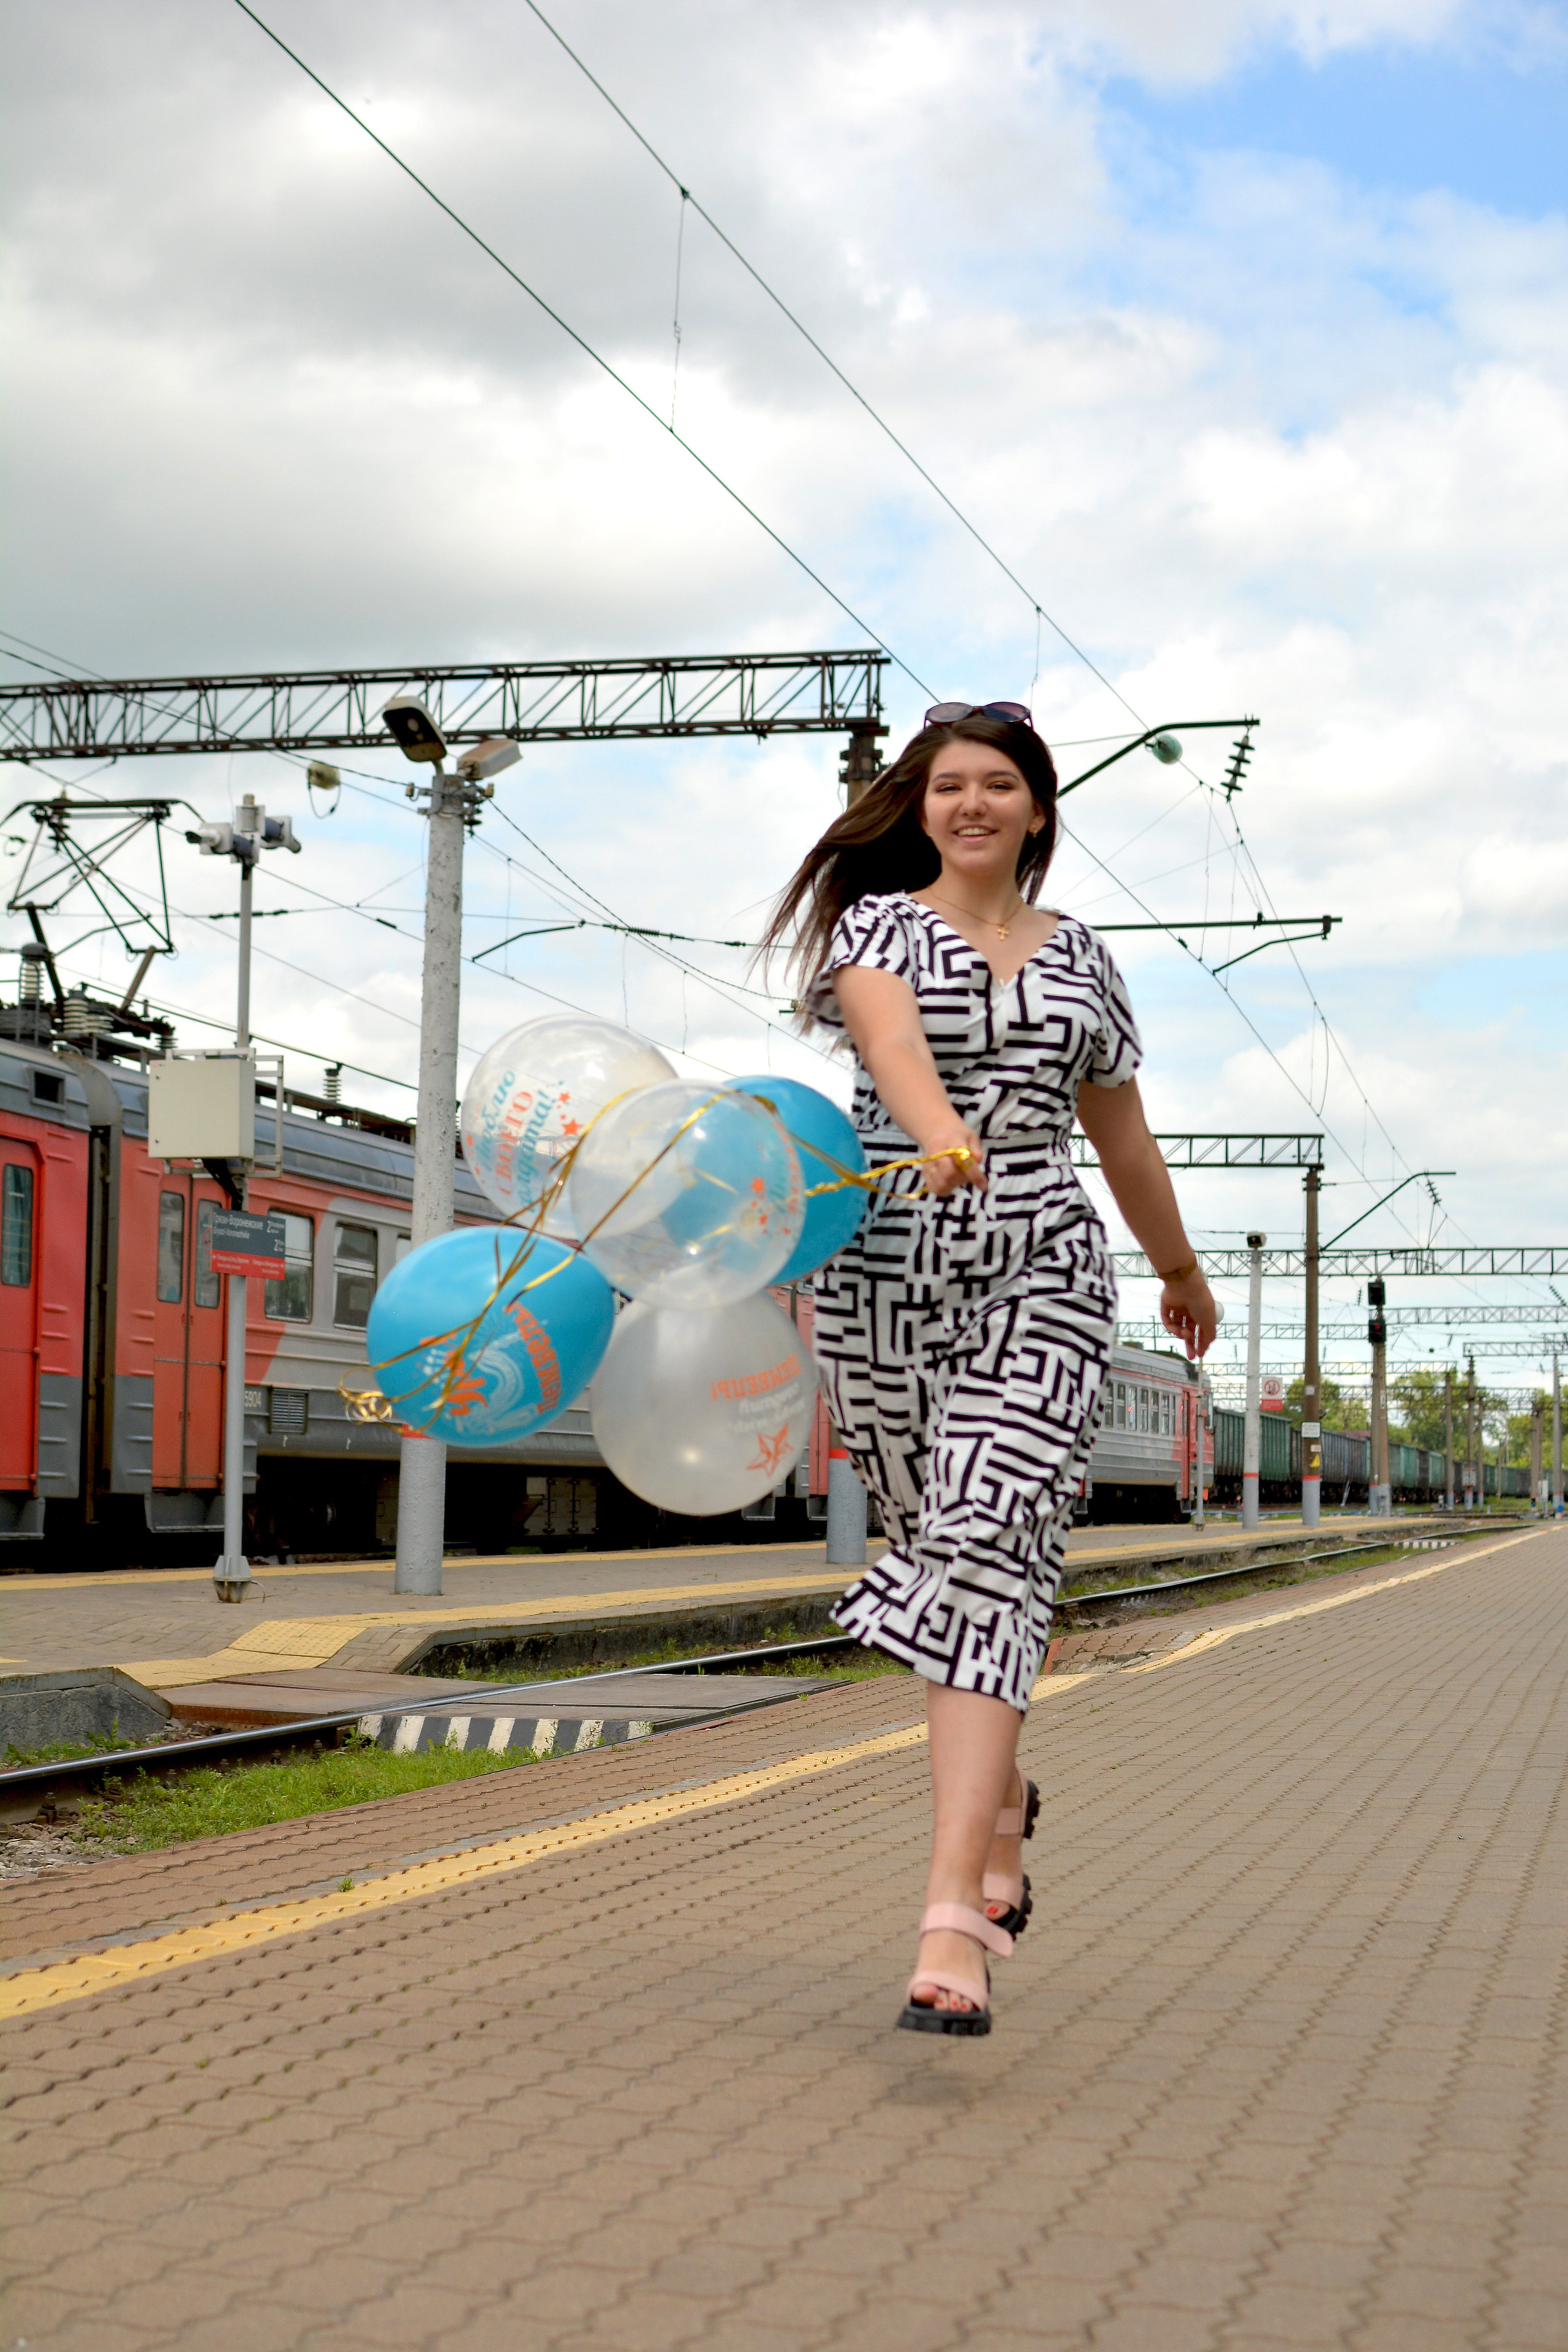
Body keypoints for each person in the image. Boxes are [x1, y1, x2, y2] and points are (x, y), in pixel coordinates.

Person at [763, 701, 1217, 2035]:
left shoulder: (1082, 959)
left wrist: (1177, 1268)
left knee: (982, 1534)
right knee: (955, 1555)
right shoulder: (876, 929)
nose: (970, 804)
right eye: (947, 785)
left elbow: (1119, 1137)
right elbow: (891, 1045)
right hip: (885, 1277)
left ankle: (949, 1909)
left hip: (1041, 1268)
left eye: (997, 785)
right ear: (918, 809)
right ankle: (1002, 1809)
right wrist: (936, 1130)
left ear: (1035, 809)